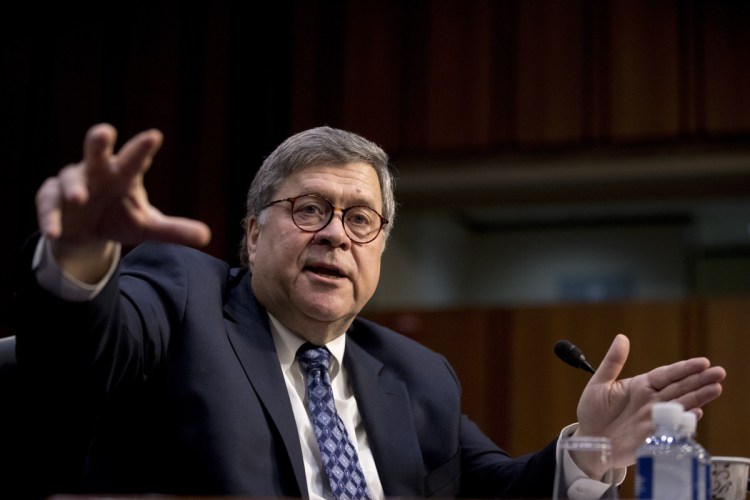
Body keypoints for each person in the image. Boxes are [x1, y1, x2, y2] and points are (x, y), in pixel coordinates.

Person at [12, 123, 725, 499]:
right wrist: (80, 255)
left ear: (381, 247)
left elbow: (507, 490)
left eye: (361, 219)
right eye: (309, 209)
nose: (334, 234)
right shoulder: (183, 293)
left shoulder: (416, 375)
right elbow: (80, 355)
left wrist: (587, 450)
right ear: (253, 233)